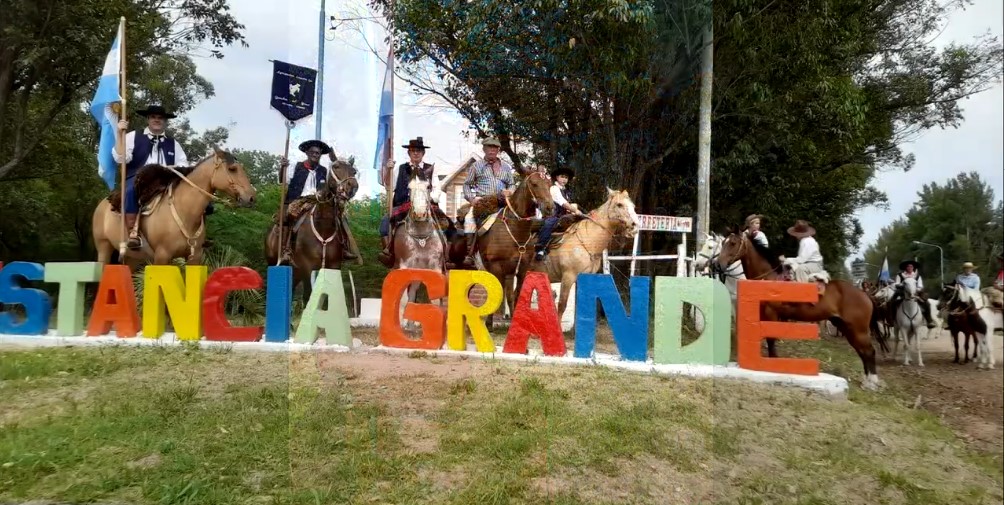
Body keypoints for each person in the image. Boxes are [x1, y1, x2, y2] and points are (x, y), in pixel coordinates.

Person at [113, 105, 191, 250]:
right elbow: (120, 158)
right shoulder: (133, 136)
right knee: (130, 191)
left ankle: (194, 235)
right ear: (148, 119)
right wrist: (119, 134)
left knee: (192, 195)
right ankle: (133, 232)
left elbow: (183, 163)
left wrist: (175, 169)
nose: (157, 120)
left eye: (160, 118)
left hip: (166, 179)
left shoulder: (173, 143)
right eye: (153, 117)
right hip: (139, 177)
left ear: (165, 121)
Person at [277, 139, 359, 265]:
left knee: (338, 215)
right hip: (298, 199)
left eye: (318, 153)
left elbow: (329, 187)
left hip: (317, 199)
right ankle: (286, 250)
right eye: (313, 152)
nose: (315, 155)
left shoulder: (324, 170)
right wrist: (282, 167)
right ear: (307, 153)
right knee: (289, 214)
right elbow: (283, 180)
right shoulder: (296, 166)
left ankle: (344, 247)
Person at [377, 137, 452, 267]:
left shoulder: (431, 169)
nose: (416, 153)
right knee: (384, 224)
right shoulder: (400, 168)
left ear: (423, 153)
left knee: (449, 225)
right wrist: (388, 170)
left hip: (427, 205)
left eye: (418, 151)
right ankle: (389, 253)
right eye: (413, 151)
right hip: (403, 205)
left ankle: (447, 255)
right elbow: (389, 186)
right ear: (409, 153)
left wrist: (431, 199)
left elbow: (436, 188)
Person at [460, 137, 516, 267]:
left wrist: (510, 191)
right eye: (489, 147)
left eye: (495, 148)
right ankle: (470, 254)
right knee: (469, 219)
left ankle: (518, 250)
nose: (492, 150)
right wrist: (472, 199)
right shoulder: (476, 166)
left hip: (502, 201)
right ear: (484, 149)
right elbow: (467, 185)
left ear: (498, 150)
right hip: (483, 201)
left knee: (517, 218)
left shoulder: (506, 167)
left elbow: (512, 184)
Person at [534, 165, 582, 261]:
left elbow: (570, 203)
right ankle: (540, 248)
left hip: (563, 216)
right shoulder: (554, 188)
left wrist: (578, 210)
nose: (564, 179)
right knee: (549, 223)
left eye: (566, 177)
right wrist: (575, 210)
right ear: (557, 177)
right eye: (562, 177)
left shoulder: (566, 191)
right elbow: (562, 203)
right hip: (553, 214)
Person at [891, 259, 936, 329]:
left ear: (913, 267)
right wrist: (902, 286)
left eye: (911, 266)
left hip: (916, 293)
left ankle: (929, 321)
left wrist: (915, 290)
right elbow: (896, 284)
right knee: (891, 303)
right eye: (908, 266)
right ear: (906, 267)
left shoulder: (917, 276)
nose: (910, 268)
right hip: (902, 292)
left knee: (927, 304)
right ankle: (892, 320)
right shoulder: (900, 275)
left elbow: (920, 285)